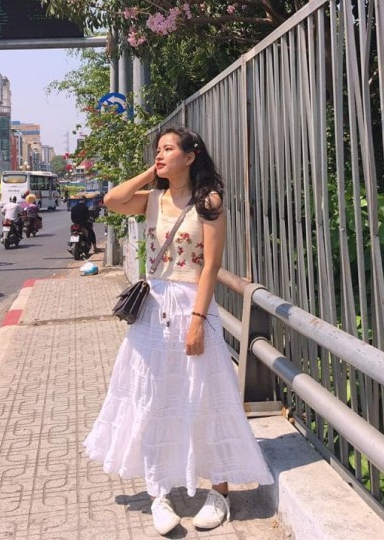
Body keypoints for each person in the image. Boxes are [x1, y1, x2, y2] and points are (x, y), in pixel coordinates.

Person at [84, 127, 273, 535]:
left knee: (205, 395)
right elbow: (112, 200)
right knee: (153, 396)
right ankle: (159, 493)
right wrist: (149, 174)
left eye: (169, 149)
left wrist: (199, 322)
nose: (161, 154)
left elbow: (210, 266)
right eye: (158, 149)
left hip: (191, 305)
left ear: (191, 156)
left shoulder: (210, 201)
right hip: (154, 309)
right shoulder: (152, 199)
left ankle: (219, 492)